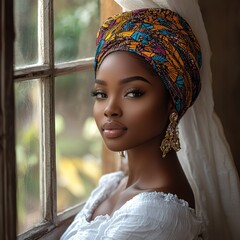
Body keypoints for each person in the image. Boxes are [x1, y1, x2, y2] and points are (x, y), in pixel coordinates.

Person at [61, 0, 240, 239]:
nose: (110, 109)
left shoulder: (155, 216)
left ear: (171, 101)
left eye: (133, 92)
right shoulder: (112, 185)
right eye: (101, 94)